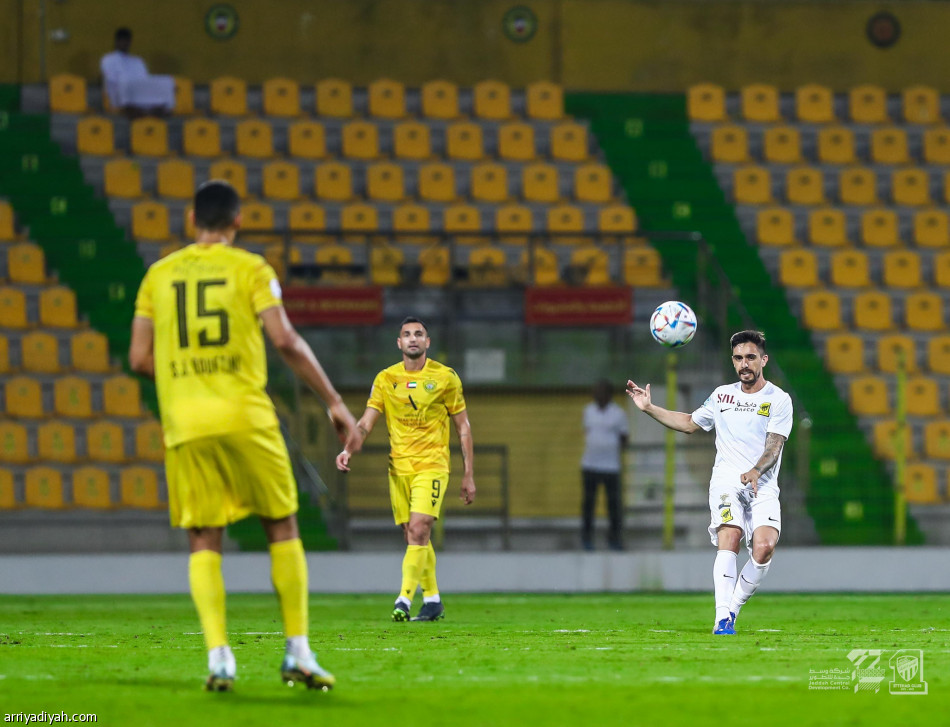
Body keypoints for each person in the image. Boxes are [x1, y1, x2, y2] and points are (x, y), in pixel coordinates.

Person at [129, 180, 359, 691]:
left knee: (203, 537)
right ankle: (298, 650)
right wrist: (334, 402)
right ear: (237, 222)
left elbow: (140, 359)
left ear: (191, 220)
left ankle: (219, 658)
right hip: (246, 416)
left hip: (184, 422)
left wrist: (185, 378)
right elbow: (284, 339)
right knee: (281, 525)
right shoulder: (252, 269)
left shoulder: (156, 277)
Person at [625, 330, 792, 635]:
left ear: (763, 360)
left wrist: (756, 470)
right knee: (729, 537)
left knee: (764, 548)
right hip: (726, 482)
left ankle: (732, 608)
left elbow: (774, 445)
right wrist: (649, 408)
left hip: (762, 486)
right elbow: (689, 423)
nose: (745, 364)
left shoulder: (779, 400)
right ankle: (722, 618)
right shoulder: (721, 395)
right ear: (733, 361)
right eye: (739, 358)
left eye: (751, 357)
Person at [336, 317, 476, 622]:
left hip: (433, 465)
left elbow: (463, 426)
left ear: (428, 342)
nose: (413, 339)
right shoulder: (386, 379)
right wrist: (348, 448)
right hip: (398, 469)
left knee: (419, 528)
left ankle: (403, 599)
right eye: (407, 335)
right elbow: (366, 422)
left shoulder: (445, 378)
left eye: (419, 334)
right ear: (399, 343)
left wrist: (468, 474)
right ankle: (433, 600)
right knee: (413, 536)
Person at [580, 379, 629, 551]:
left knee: (613, 506)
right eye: (595, 391)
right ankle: (586, 540)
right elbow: (588, 432)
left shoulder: (618, 413)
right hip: (590, 466)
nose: (596, 395)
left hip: (611, 467)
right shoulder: (588, 411)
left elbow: (624, 438)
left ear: (608, 394)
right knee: (588, 505)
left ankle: (614, 540)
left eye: (600, 392)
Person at [100, 27, 175, 117]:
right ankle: (141, 110)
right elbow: (111, 81)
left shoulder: (137, 61)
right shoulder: (108, 59)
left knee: (166, 81)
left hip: (138, 94)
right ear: (117, 41)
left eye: (127, 41)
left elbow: (144, 80)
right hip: (119, 93)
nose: (125, 43)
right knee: (125, 83)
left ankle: (149, 110)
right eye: (122, 40)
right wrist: (127, 84)